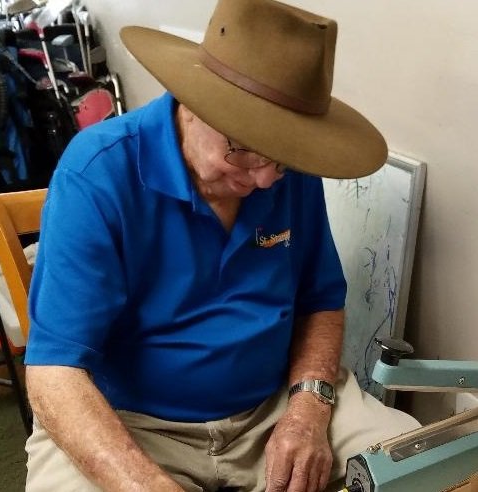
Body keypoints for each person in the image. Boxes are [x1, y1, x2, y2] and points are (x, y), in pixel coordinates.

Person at [22, 0, 421, 491]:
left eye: (283, 159)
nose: (268, 178)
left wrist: (308, 409)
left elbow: (320, 301)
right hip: (132, 424)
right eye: (245, 149)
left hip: (275, 405)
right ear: (194, 102)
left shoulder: (282, 170)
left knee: (428, 466)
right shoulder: (98, 173)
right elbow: (53, 373)